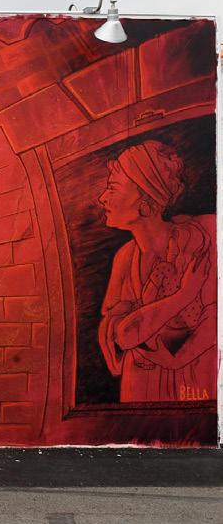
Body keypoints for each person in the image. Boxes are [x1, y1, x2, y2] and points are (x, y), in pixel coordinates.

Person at [97, 140, 216, 403]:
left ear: (146, 201)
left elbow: (216, 319)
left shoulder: (205, 233)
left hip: (196, 382)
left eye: (112, 188)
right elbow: (121, 336)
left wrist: (176, 360)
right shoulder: (125, 258)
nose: (102, 198)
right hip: (141, 386)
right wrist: (183, 296)